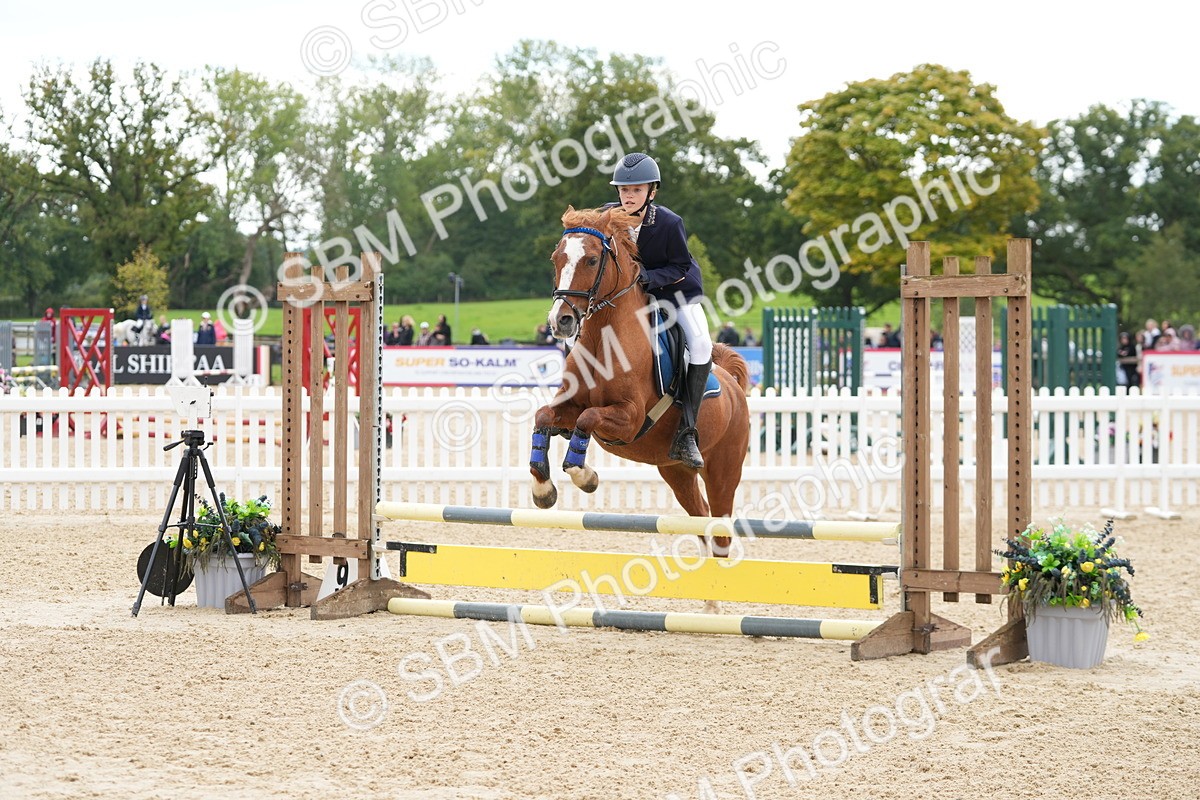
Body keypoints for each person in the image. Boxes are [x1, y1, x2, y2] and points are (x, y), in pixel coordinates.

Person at [606, 152, 712, 469]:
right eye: (624, 190)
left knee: (702, 343)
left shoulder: (668, 222)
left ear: (651, 192)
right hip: (628, 298)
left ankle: (687, 432)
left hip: (674, 293)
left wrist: (649, 278)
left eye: (636, 190)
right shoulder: (607, 217)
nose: (628, 196)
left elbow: (681, 265)